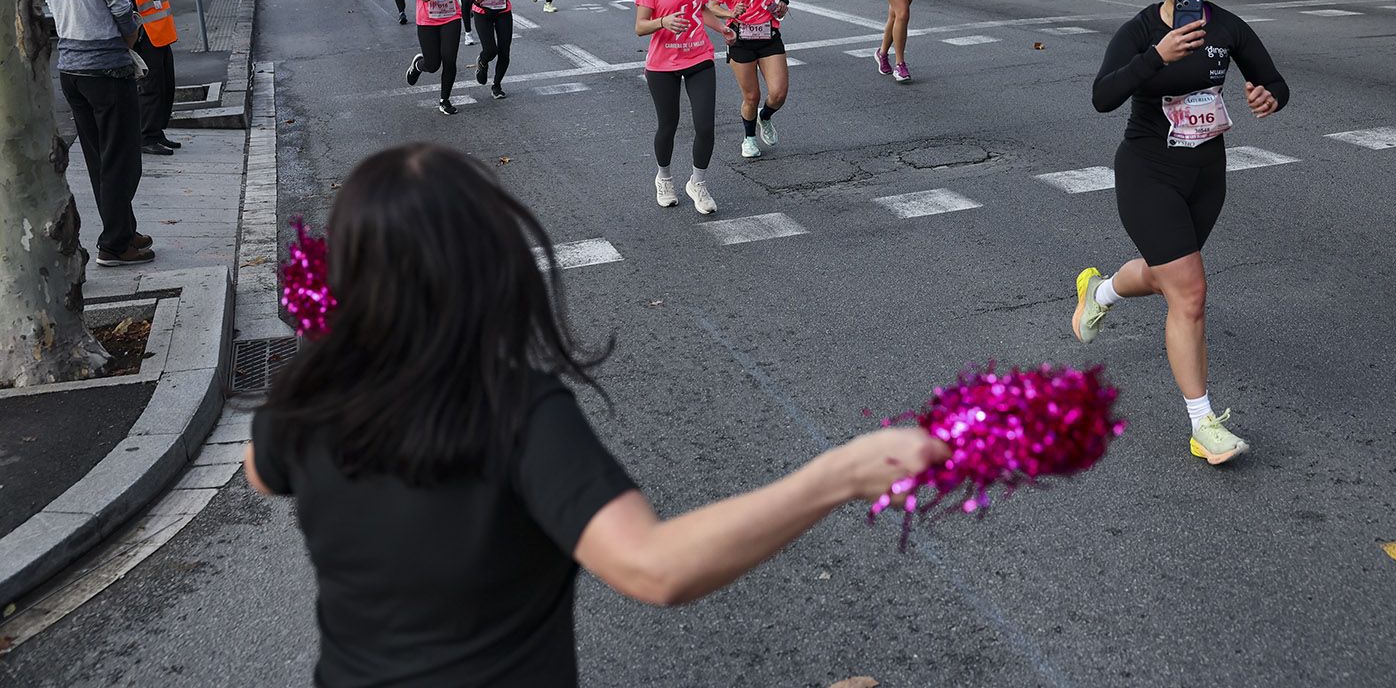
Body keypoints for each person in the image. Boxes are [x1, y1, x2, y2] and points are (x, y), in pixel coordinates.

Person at [244, 142, 945, 688]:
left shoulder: (308, 397)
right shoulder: (516, 409)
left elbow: (261, 474)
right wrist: (841, 474)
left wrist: (335, 337)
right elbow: (654, 567)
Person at [1071, 0, 1290, 467]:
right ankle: (1203, 424)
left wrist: (1269, 98)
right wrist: (1157, 58)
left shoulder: (1228, 28)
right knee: (1189, 292)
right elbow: (1101, 96)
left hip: (1206, 176)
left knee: (1168, 275)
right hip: (1148, 172)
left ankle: (1099, 292)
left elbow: (1276, 82)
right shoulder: (1142, 31)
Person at [37, 0, 153, 266]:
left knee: (98, 159)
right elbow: (127, 22)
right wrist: (131, 35)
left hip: (71, 72)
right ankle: (115, 244)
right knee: (123, 161)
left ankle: (121, 227)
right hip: (108, 73)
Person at [634, 0, 739, 214]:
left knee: (705, 126)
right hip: (662, 63)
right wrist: (663, 21)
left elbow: (701, 9)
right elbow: (640, 27)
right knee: (668, 125)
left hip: (698, 56)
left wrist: (723, 29)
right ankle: (664, 178)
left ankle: (698, 182)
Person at [708, 0, 790, 160]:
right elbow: (712, 6)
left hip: (768, 34)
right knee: (751, 96)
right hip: (740, 38)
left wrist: (783, 1)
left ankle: (765, 117)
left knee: (779, 93)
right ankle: (749, 138)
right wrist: (730, 13)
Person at [110, 0, 181, 157]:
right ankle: (145, 137)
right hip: (144, 39)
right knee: (149, 90)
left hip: (161, 37)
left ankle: (157, 132)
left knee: (165, 88)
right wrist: (134, 38)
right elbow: (123, 8)